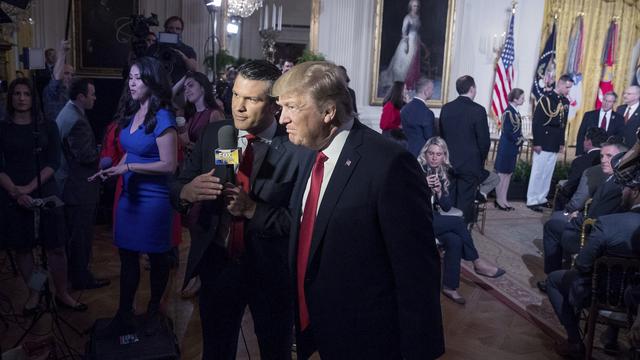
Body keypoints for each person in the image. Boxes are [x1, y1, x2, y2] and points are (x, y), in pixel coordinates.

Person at [274, 61, 444, 359]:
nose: (282, 119)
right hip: (318, 326)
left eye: (291, 107)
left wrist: (419, 349)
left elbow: (417, 270)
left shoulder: (390, 164)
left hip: (367, 339)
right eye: (281, 107)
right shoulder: (308, 154)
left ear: (328, 112)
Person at [170, 60, 300, 359]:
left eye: (252, 99)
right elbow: (177, 184)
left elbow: (302, 221)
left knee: (275, 350)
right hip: (218, 264)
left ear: (274, 106)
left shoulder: (296, 146)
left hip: (271, 271)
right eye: (235, 95)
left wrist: (254, 210)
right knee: (216, 350)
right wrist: (186, 192)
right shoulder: (216, 133)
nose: (238, 107)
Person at [90, 56, 178, 336]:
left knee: (158, 258)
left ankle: (154, 312)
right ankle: (124, 314)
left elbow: (169, 164)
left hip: (153, 201)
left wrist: (128, 166)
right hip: (130, 197)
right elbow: (131, 148)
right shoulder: (134, 112)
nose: (131, 83)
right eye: (130, 77)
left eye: (137, 78)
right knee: (127, 258)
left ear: (152, 81)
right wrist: (114, 169)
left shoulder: (163, 117)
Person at [0, 78, 86, 314]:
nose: (21, 98)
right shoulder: (3, 128)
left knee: (56, 246)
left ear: (33, 98)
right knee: (24, 248)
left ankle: (62, 293)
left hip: (45, 189)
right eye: (16, 93)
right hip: (12, 192)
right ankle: (35, 292)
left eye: (26, 93)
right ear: (10, 98)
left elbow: (53, 162)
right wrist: (16, 192)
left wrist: (28, 188)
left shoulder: (47, 126)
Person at [545, 152, 640, 358]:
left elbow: (583, 265)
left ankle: (575, 342)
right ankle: (611, 338)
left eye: (624, 187)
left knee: (554, 280)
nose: (621, 191)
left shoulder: (608, 224)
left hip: (602, 293)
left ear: (634, 192)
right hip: (633, 298)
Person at [419, 137, 505, 304]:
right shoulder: (416, 170)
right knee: (458, 222)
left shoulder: (443, 173)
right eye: (431, 153)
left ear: (444, 156)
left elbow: (446, 207)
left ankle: (450, 287)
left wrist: (438, 192)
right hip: (416, 220)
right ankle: (477, 262)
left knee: (455, 240)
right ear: (425, 154)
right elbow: (406, 200)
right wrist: (422, 184)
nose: (434, 157)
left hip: (432, 219)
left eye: (439, 154)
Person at [537, 140, 627, 292]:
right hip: (591, 226)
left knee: (552, 226)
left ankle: (553, 278)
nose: (603, 160)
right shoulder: (612, 178)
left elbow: (599, 219)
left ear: (622, 159)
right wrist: (579, 213)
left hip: (590, 238)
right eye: (602, 156)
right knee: (557, 221)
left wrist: (576, 219)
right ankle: (563, 272)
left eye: (609, 156)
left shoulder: (616, 184)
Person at [55, 78, 110, 290]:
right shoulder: (77, 120)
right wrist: (104, 150)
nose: (95, 98)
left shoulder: (69, 112)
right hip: (78, 188)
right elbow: (85, 156)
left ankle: (75, 275)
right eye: (92, 94)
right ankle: (80, 278)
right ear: (81, 97)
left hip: (70, 185)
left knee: (75, 236)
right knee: (81, 237)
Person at [439, 75, 490, 224]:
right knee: (465, 201)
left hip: (449, 162)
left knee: (449, 198)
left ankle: (448, 230)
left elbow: (442, 136)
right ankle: (462, 232)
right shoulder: (478, 110)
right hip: (470, 164)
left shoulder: (446, 108)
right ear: (472, 89)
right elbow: (484, 141)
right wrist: (480, 161)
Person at [527, 74, 573, 212]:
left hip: (554, 142)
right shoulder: (546, 99)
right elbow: (537, 123)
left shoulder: (565, 101)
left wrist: (561, 143)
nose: (568, 90)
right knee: (538, 171)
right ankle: (532, 199)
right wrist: (537, 142)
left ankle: (542, 198)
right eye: (567, 87)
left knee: (548, 172)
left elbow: (562, 124)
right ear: (559, 84)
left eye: (570, 88)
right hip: (544, 140)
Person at [554, 127, 607, 211]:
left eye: (584, 140)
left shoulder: (580, 161)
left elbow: (570, 187)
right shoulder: (608, 161)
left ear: (588, 142)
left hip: (578, 206)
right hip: (601, 205)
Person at [379, 0, 422, 91]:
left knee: (412, 63)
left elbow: (417, 31)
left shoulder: (417, 17)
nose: (416, 8)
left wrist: (419, 42)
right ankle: (401, 84)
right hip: (408, 41)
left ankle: (410, 83)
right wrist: (406, 45)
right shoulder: (407, 17)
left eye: (417, 6)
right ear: (410, 6)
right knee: (404, 63)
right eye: (414, 6)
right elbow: (403, 31)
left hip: (415, 41)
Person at [494, 88, 525, 210]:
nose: (523, 100)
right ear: (515, 99)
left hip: (512, 147)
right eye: (522, 98)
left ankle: (504, 198)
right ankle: (499, 199)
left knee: (508, 174)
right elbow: (507, 131)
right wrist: (519, 140)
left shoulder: (515, 111)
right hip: (507, 146)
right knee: (502, 174)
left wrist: (520, 138)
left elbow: (517, 130)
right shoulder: (508, 112)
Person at [180, 71, 225, 155]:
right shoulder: (192, 115)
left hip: (209, 166)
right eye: (184, 88)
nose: (186, 91)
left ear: (202, 87)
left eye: (190, 85)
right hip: (195, 165)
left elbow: (226, 153)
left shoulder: (214, 114)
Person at [147, 16, 198, 84]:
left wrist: (183, 57)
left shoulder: (187, 49)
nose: (174, 31)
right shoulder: (155, 47)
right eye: (171, 28)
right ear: (165, 29)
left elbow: (193, 68)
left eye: (178, 29)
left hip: (179, 89)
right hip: (157, 86)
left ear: (181, 31)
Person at [575, 91, 624, 156]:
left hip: (608, 154)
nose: (606, 103)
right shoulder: (589, 115)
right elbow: (581, 134)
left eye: (609, 101)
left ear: (614, 103)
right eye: (605, 100)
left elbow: (619, 137)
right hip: (589, 152)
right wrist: (579, 153)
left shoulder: (619, 118)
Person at [400, 77, 435, 157]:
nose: (432, 92)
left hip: (405, 151)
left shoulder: (404, 109)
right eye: (432, 89)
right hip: (421, 155)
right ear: (426, 91)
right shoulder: (427, 113)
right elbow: (429, 137)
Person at [42, 39, 74, 123]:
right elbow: (56, 79)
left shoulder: (71, 91)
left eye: (72, 75)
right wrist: (62, 52)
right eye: (66, 73)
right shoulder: (51, 90)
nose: (70, 77)